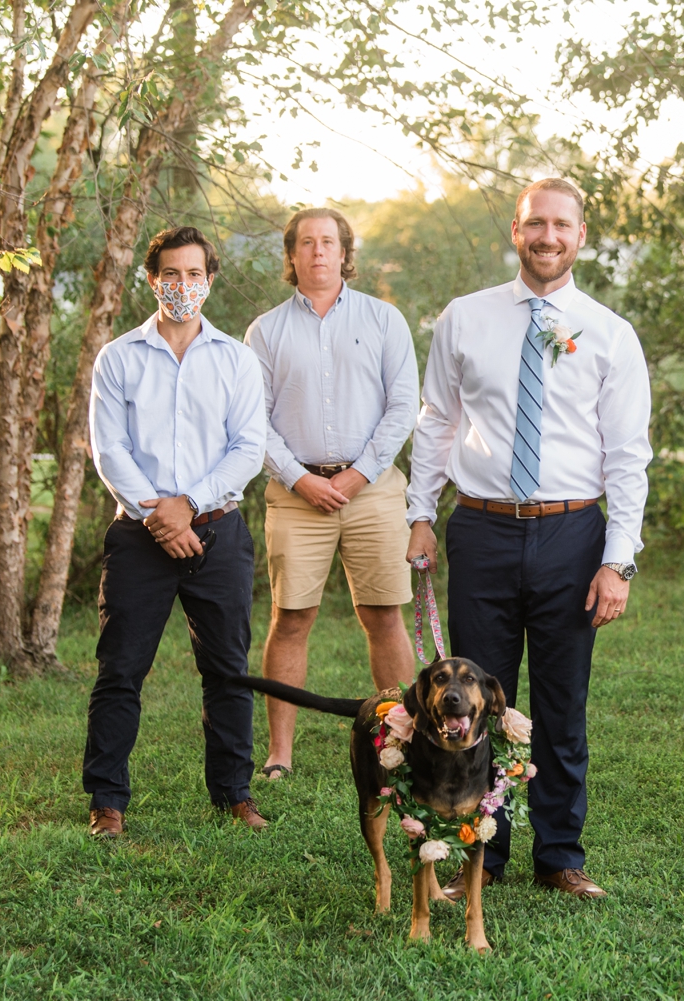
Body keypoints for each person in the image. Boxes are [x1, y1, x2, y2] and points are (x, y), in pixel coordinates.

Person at [405, 178, 652, 900]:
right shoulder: (464, 318)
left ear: (581, 236)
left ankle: (560, 854)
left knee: (560, 703)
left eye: (562, 225)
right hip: (481, 529)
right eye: (535, 223)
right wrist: (421, 511)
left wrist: (618, 560)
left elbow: (628, 456)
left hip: (574, 533)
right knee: (471, 700)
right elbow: (436, 421)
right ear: (515, 230)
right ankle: (484, 852)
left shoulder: (609, 333)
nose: (548, 236)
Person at [83, 226, 268, 839]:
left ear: (210, 282)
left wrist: (188, 503)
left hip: (219, 533)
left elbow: (248, 448)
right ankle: (107, 800)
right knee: (120, 670)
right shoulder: (118, 357)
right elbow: (109, 449)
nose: (181, 285)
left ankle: (234, 794)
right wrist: (160, 518)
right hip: (139, 537)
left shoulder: (238, 360)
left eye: (193, 274)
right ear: (151, 278)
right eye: (170, 273)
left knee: (228, 670)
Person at [244, 207, 419, 780]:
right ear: (291, 256)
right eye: (306, 243)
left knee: (383, 616)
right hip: (297, 494)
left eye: (329, 242)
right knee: (290, 617)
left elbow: (402, 407)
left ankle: (405, 741)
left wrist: (356, 475)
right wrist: (300, 478)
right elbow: (254, 419)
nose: (318, 252)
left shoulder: (385, 318)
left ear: (346, 253)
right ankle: (279, 753)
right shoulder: (265, 331)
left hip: (371, 492)